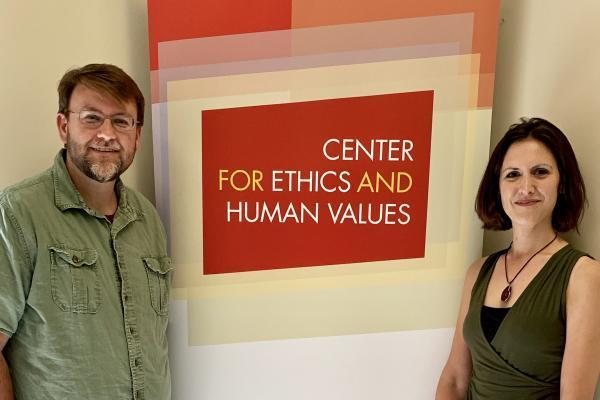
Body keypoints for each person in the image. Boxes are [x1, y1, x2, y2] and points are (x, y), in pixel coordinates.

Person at [0, 64, 172, 400]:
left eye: (121, 121)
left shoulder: (148, 218)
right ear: (64, 126)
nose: (107, 134)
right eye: (91, 118)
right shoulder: (18, 212)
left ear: (137, 135)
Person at [436, 118, 600, 399]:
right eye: (512, 174)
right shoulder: (478, 271)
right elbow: (454, 380)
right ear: (497, 187)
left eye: (540, 172)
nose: (526, 187)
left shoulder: (584, 275)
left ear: (561, 183)